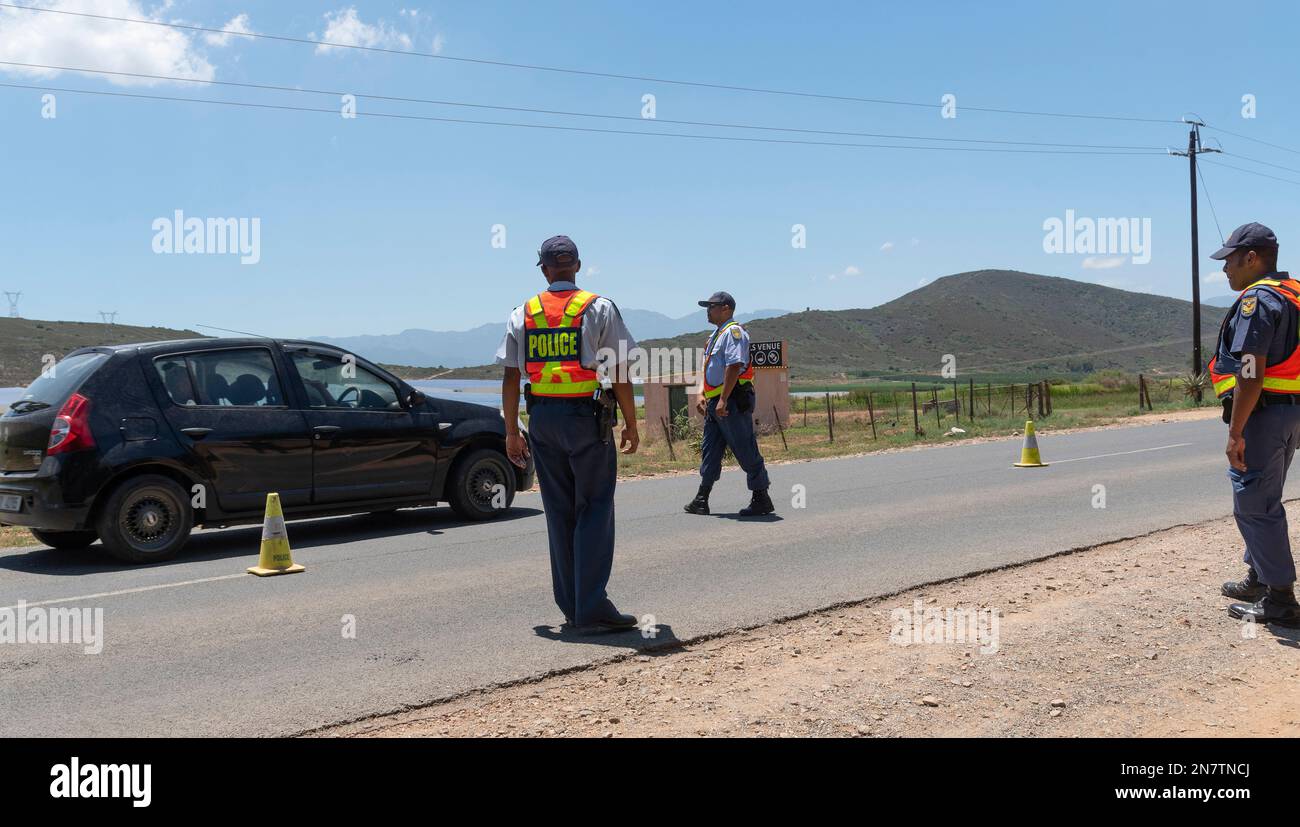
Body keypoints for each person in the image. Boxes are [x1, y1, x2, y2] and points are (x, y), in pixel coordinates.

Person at [496, 235, 641, 633]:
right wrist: (630, 421)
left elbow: (510, 376)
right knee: (593, 507)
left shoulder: (522, 313)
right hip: (585, 418)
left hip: (541, 418)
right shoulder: (598, 308)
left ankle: (572, 605)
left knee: (559, 511)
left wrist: (512, 430)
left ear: (544, 269)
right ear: (577, 265)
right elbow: (622, 371)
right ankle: (591, 608)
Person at [1206, 222, 1300, 628]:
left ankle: (1280, 600)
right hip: (1292, 412)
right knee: (1266, 495)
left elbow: (1250, 370)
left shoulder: (1257, 300)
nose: (1225, 269)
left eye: (1229, 260)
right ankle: (1259, 576)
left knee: (1254, 504)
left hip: (1264, 413)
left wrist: (1235, 431)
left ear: (1251, 258)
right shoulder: (1294, 292)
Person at [683, 291, 774, 517]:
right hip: (716, 402)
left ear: (726, 308)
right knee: (710, 450)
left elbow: (734, 366)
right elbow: (709, 369)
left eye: (712, 306)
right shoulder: (715, 335)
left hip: (731, 400)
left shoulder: (733, 333)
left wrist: (723, 399)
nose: (708, 310)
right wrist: (701, 394)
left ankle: (761, 497)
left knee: (744, 447)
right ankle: (702, 499)